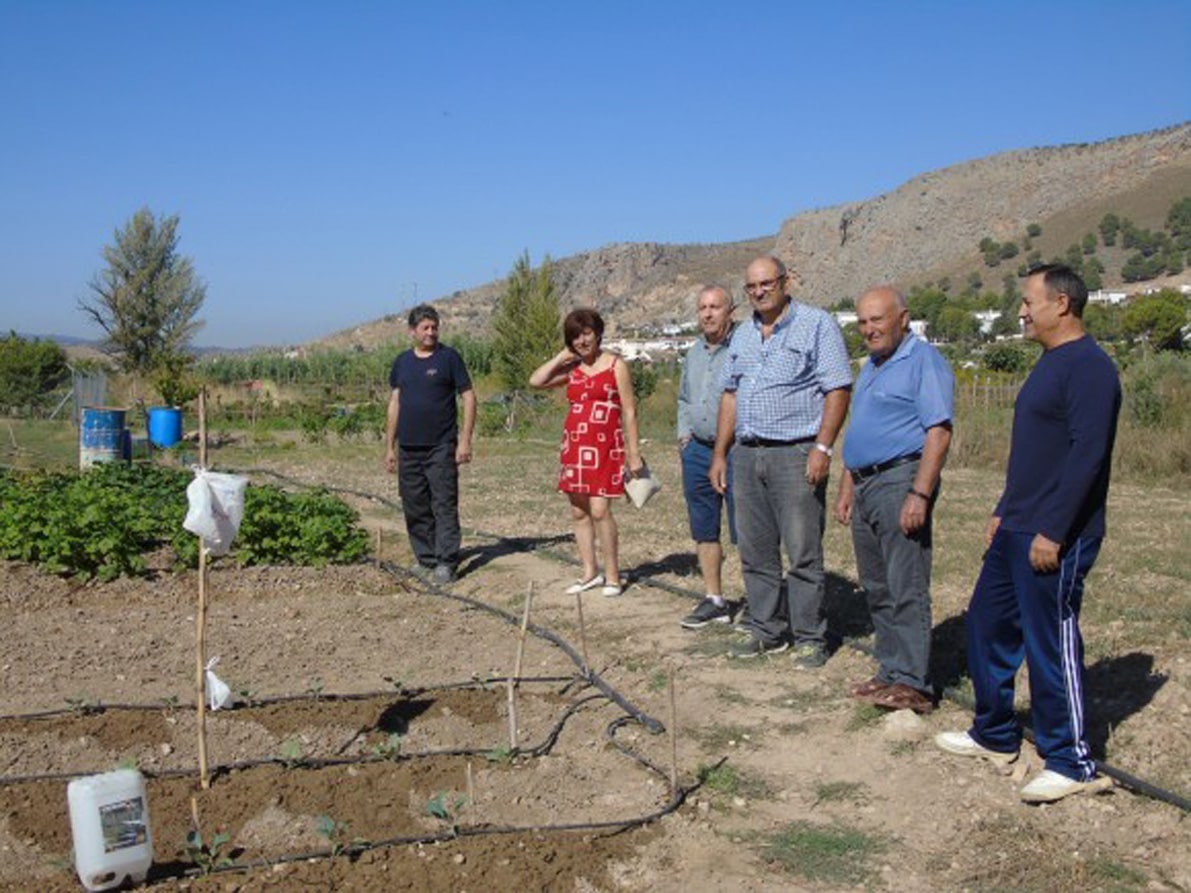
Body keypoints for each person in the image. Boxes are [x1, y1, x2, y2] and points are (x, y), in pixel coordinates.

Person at [935, 264, 1121, 804]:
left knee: (1049, 642)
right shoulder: (1051, 362)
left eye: (1027, 301)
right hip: (1017, 524)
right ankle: (993, 733)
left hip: (1056, 533)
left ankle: (1070, 760)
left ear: (1061, 303)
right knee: (987, 625)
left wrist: (1053, 530)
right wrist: (1004, 508)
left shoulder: (1089, 367)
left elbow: (1087, 457)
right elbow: (1037, 454)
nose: (1020, 311)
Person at [710, 256, 852, 665]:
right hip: (746, 453)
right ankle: (766, 629)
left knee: (802, 550)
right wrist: (720, 453)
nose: (759, 292)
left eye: (766, 284)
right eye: (751, 286)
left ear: (785, 282)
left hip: (795, 453)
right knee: (755, 551)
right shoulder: (743, 335)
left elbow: (838, 388)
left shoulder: (816, 324)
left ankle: (809, 636)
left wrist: (823, 448)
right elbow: (731, 394)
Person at [833, 286, 954, 714]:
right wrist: (847, 484)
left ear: (903, 319)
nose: (869, 329)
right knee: (878, 585)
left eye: (877, 320)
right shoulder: (871, 367)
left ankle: (914, 682)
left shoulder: (923, 361)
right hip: (866, 483)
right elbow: (860, 429)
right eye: (863, 322)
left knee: (906, 584)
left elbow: (938, 430)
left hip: (900, 479)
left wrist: (920, 492)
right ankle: (890, 668)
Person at [529, 308, 644, 597]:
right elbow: (536, 381)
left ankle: (613, 576)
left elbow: (629, 411)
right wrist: (561, 357)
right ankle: (590, 572)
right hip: (576, 447)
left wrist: (633, 453)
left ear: (598, 333)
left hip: (606, 447)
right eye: (575, 337)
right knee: (578, 512)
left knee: (600, 510)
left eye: (586, 333)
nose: (582, 341)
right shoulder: (573, 370)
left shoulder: (615, 365)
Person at [384, 304, 476, 585]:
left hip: (441, 446)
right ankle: (426, 558)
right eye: (425, 327)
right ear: (412, 331)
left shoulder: (449, 358)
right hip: (408, 448)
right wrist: (390, 446)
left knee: (444, 503)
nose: (431, 332)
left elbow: (469, 397)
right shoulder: (402, 362)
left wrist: (465, 440)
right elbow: (395, 403)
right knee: (415, 505)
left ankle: (447, 561)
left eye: (434, 327)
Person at [677, 285, 739, 629]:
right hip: (698, 449)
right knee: (704, 526)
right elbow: (684, 398)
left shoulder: (744, 346)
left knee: (747, 528)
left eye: (715, 307)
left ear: (730, 310)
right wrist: (684, 436)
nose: (708, 313)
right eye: (702, 308)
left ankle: (762, 605)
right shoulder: (694, 353)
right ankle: (714, 599)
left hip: (737, 450)